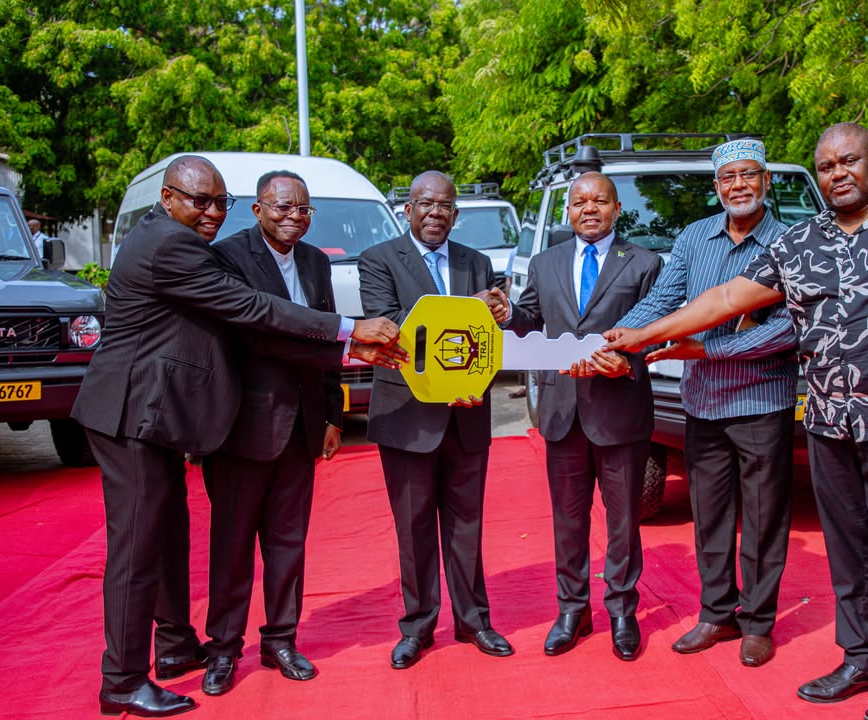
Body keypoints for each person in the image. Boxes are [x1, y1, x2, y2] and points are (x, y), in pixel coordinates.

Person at [604, 123, 868, 720]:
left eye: (849, 161)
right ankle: (860, 656)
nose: (838, 174)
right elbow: (727, 299)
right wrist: (641, 335)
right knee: (848, 548)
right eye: (827, 165)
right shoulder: (804, 240)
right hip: (831, 420)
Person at [72, 156, 404, 718]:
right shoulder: (173, 245)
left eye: (218, 203)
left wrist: (336, 379)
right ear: (168, 198)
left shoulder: (179, 240)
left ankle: (175, 647)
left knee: (168, 538)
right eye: (199, 201)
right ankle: (122, 680)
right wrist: (349, 332)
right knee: (136, 551)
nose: (211, 213)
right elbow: (249, 309)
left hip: (159, 416)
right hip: (131, 413)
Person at [618, 138, 797, 667]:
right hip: (701, 402)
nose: (739, 185)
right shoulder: (695, 237)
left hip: (762, 399)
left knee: (764, 518)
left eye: (748, 174)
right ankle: (717, 613)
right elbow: (663, 300)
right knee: (711, 516)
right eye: (728, 177)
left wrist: (707, 349)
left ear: (766, 180)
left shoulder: (791, 242)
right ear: (717, 186)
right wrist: (622, 338)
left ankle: (758, 622)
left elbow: (788, 329)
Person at [497, 171, 662, 660]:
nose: (590, 209)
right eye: (580, 202)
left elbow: (657, 331)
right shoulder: (545, 262)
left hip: (620, 410)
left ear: (617, 209)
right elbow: (530, 320)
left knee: (623, 520)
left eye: (600, 201)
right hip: (562, 412)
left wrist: (628, 363)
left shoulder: (644, 263)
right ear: (568, 210)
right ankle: (572, 609)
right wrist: (508, 313)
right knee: (568, 519)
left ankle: (622, 611)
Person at [198, 170, 348, 695]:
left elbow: (328, 343)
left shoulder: (316, 262)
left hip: (302, 426)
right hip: (241, 427)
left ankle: (281, 639)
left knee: (288, 544)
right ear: (257, 209)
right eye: (283, 207)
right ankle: (223, 649)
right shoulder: (227, 257)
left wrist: (332, 415)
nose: (294, 217)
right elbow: (254, 331)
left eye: (303, 209)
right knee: (232, 546)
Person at [358, 170, 514, 669]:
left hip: (467, 413)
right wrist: (469, 310)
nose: (435, 213)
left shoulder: (477, 262)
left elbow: (488, 340)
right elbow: (391, 331)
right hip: (408, 415)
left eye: (444, 205)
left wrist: (500, 316)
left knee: (467, 526)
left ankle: (474, 621)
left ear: (455, 214)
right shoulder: (378, 260)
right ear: (408, 209)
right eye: (425, 204)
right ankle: (417, 627)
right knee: (414, 527)